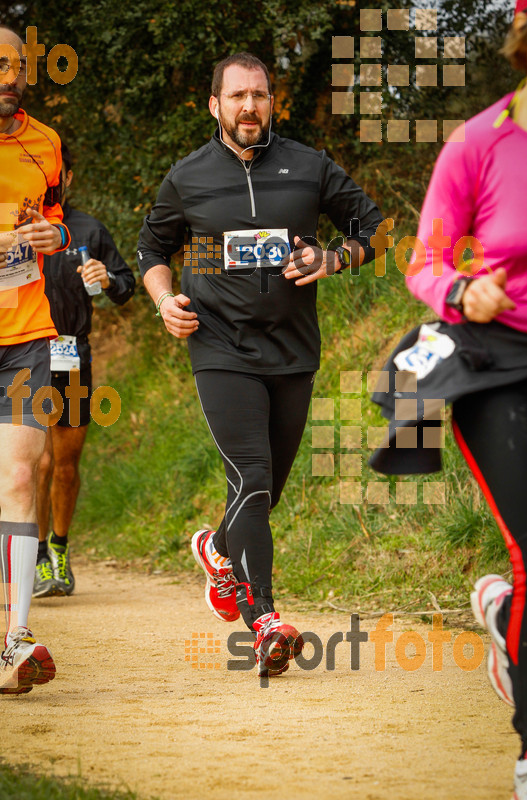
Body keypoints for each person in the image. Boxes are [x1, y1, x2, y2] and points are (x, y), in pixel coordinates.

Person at [137, 52, 384, 677]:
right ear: (214, 105)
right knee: (251, 473)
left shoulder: (308, 166)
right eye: (238, 96)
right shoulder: (188, 176)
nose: (250, 106)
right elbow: (152, 247)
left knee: (267, 485)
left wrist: (333, 258)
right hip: (219, 347)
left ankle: (216, 547)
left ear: (272, 102)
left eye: (260, 95)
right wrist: (166, 300)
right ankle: (265, 619)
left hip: (293, 350)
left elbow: (374, 227)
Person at [369, 4, 527, 796]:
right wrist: (461, 290)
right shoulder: (480, 143)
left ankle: (509, 625)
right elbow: (424, 259)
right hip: (495, 360)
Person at [0, 26, 71, 693]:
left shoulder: (45, 141)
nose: (10, 74)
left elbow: (55, 215)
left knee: (23, 476)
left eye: (18, 64)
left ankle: (12, 639)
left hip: (24, 335)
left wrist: (56, 233)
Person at [33, 142, 135, 599]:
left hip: (72, 356)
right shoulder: (15, 229)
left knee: (65, 465)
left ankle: (58, 551)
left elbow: (126, 287)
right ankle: (32, 557)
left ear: (68, 177)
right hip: (23, 355)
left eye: (59, 172)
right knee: (35, 462)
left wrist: (108, 278)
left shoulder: (90, 229)